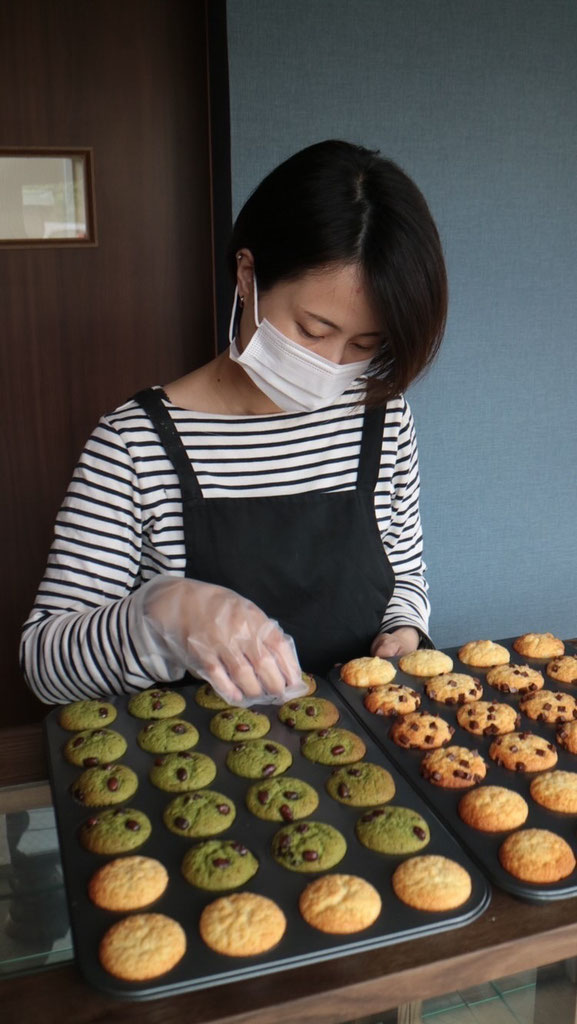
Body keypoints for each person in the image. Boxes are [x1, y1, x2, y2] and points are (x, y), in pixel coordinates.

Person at [20, 139, 447, 706]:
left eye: (364, 345)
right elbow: (45, 664)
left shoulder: (383, 417)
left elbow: (405, 574)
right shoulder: (134, 445)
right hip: (202, 773)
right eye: (313, 331)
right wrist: (160, 613)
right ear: (248, 275)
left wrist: (405, 631)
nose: (331, 365)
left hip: (363, 754)